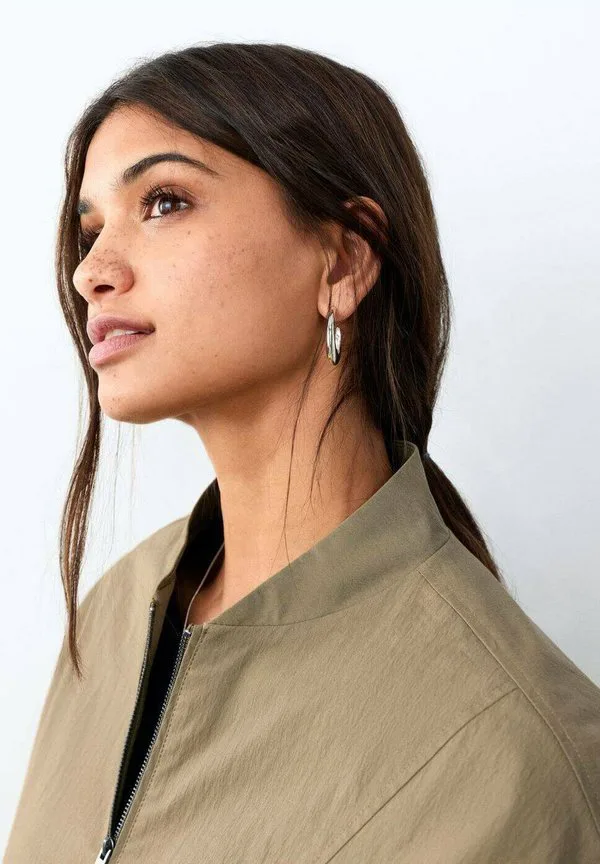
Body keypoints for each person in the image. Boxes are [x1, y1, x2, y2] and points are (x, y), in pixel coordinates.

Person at [5, 42, 600, 864]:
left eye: (165, 202)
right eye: (91, 229)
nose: (91, 273)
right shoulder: (114, 613)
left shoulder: (517, 753)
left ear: (344, 260)